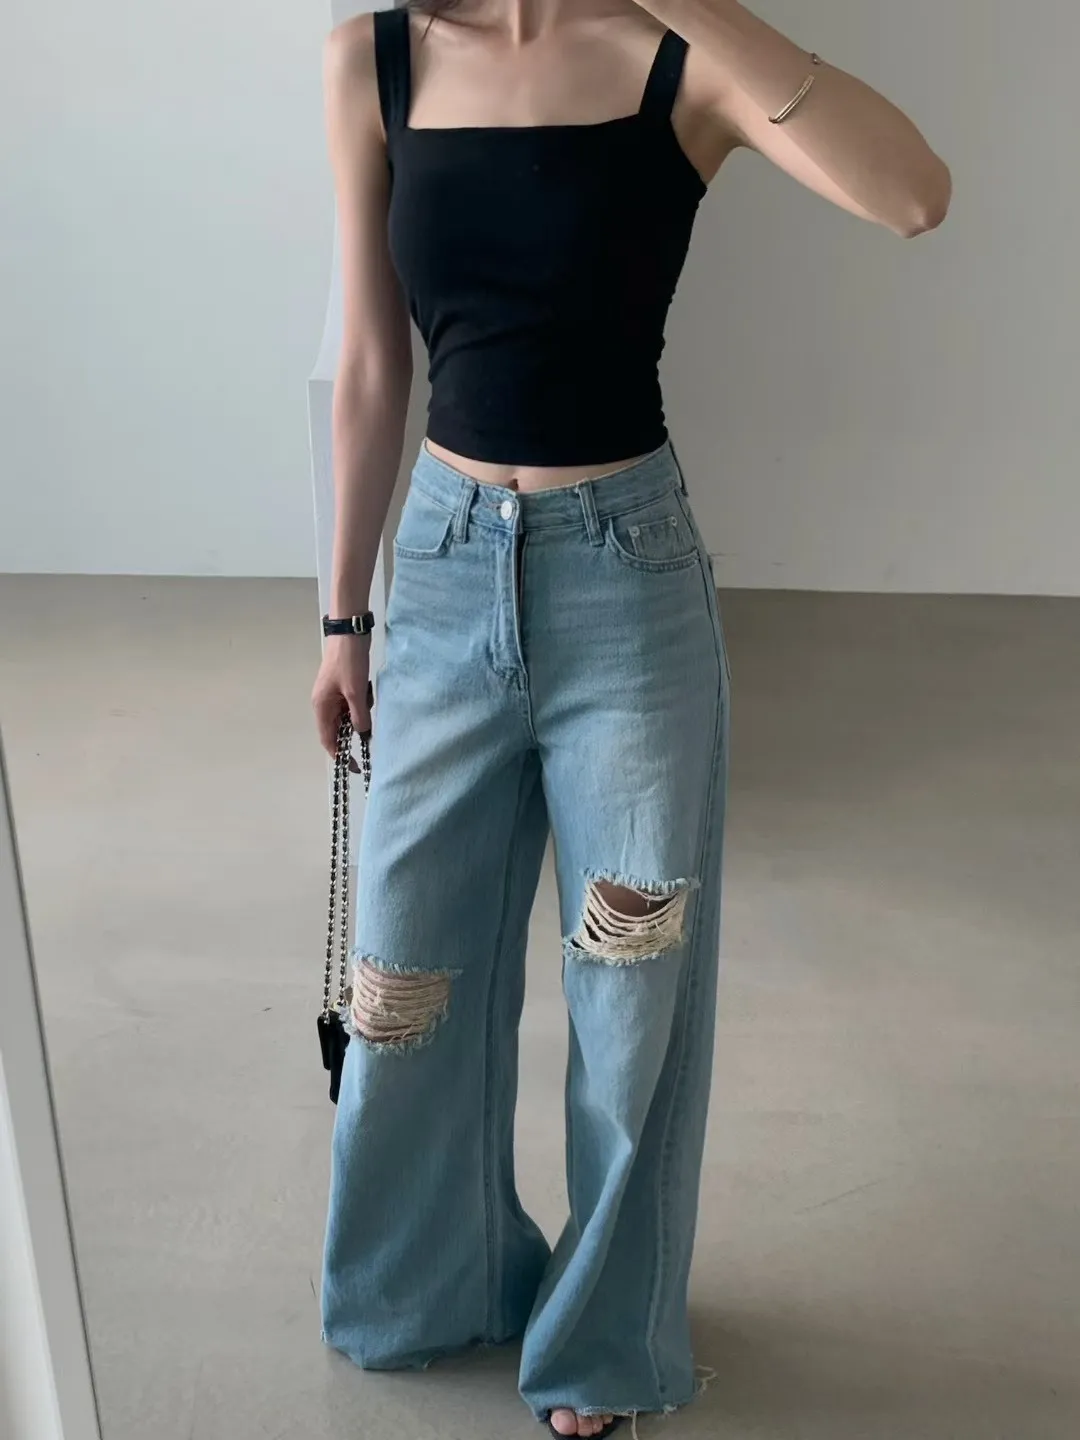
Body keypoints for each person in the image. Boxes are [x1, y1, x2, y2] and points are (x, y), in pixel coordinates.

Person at [311, 2, 950, 1435]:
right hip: (444, 567)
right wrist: (344, 615)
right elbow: (369, 363)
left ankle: (604, 1336)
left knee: (630, 982)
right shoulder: (378, 58)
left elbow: (914, 195)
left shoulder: (681, 56)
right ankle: (432, 1282)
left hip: (627, 583)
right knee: (404, 976)